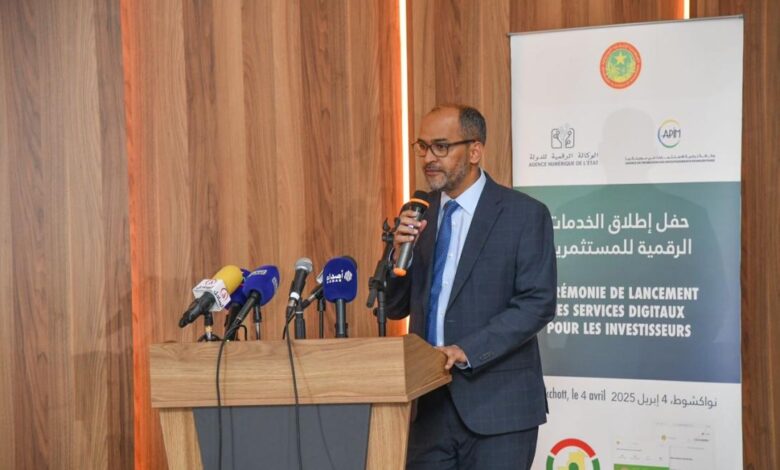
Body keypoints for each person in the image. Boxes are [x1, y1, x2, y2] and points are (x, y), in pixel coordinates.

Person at [386, 104, 557, 469]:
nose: (428, 158)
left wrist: (466, 350)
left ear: (475, 150)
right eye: (422, 147)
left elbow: (537, 303)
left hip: (499, 409)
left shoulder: (524, 214)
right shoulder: (418, 213)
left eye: (441, 147)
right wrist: (398, 256)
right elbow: (393, 307)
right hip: (429, 407)